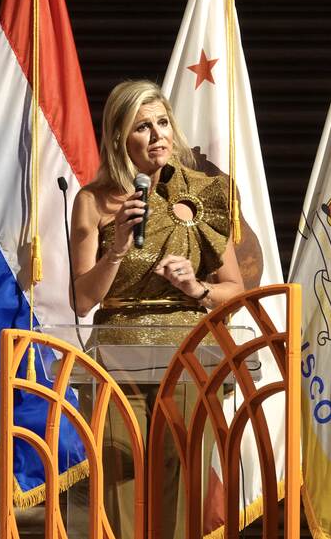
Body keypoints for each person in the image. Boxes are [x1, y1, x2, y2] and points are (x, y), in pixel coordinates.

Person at [69, 80, 245, 539]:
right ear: (118, 139)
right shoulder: (92, 201)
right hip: (116, 359)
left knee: (182, 471)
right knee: (120, 474)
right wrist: (117, 251)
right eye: (142, 127)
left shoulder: (206, 193)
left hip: (188, 354)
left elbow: (234, 290)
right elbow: (83, 299)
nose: (157, 136)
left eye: (162, 123)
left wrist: (195, 288)